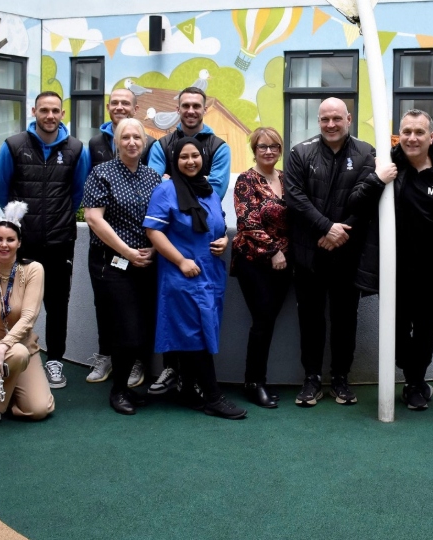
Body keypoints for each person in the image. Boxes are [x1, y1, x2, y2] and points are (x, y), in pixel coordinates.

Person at [348, 109, 433, 411]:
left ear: (431, 137)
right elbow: (355, 201)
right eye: (407, 131)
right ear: (399, 134)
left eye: (419, 132)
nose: (412, 138)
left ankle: (414, 385)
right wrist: (376, 179)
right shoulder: (386, 164)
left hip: (432, 271)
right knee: (396, 336)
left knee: (425, 334)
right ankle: (413, 375)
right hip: (393, 271)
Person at [144, 137, 247, 419]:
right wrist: (180, 260)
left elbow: (219, 224)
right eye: (183, 157)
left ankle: (188, 390)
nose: (190, 162)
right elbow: (154, 231)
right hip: (182, 275)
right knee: (194, 335)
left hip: (209, 274)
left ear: (203, 159)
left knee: (203, 330)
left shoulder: (209, 192)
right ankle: (213, 397)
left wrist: (224, 241)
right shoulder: (166, 191)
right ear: (174, 161)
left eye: (195, 156)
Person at [0, 91, 91, 389]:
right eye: (44, 110)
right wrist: (21, 227)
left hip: (61, 242)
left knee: (57, 304)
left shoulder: (76, 149)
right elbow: (1, 190)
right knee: (15, 304)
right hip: (24, 243)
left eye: (55, 111)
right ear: (34, 111)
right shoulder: (13, 146)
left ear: (63, 114)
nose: (50, 116)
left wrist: (59, 219)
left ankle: (55, 362)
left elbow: (77, 193)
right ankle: (15, 356)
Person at [284, 97, 376, 407]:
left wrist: (338, 233)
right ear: (318, 120)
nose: (331, 124)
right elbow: (295, 199)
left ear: (349, 118)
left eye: (337, 118)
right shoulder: (300, 152)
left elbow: (366, 200)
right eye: (325, 119)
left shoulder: (366, 153)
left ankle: (340, 378)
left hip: (346, 255)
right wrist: (326, 228)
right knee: (309, 319)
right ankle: (311, 379)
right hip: (309, 254)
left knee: (345, 319)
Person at [146, 86, 231, 395]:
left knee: (203, 324)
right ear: (178, 108)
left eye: (197, 105)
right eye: (186, 105)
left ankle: (193, 386)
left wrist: (221, 237)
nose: (191, 110)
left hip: (208, 265)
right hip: (180, 263)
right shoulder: (161, 149)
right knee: (184, 326)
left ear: (204, 108)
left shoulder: (218, 150)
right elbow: (156, 184)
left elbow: (216, 195)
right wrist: (180, 259)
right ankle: (194, 386)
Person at [81, 118, 161, 415]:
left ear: (144, 142)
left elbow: (161, 219)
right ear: (116, 141)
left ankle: (127, 388)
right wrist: (127, 252)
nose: (131, 142)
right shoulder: (101, 173)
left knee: (141, 329)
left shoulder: (152, 176)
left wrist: (153, 249)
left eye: (136, 137)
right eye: (124, 137)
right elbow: (93, 219)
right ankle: (118, 391)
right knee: (125, 329)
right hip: (112, 263)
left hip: (147, 262)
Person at [0, 203, 55, 422]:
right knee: (15, 354)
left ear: (19, 242)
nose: (4, 244)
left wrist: (4, 347)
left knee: (38, 409)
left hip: (21, 346)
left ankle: (5, 385)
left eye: (10, 239)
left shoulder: (33, 270)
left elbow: (28, 317)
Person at [231, 128, 291, 409]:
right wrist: (274, 251)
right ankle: (254, 383)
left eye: (274, 146)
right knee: (262, 321)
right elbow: (247, 222)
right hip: (254, 262)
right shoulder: (246, 179)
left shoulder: (286, 179)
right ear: (254, 149)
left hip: (285, 264)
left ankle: (257, 380)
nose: (269, 151)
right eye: (263, 146)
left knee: (269, 323)